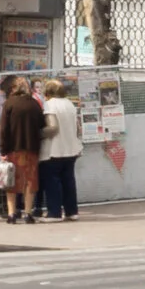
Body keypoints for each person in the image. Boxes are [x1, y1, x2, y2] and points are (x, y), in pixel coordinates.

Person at [0, 76, 46, 225]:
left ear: (13, 88)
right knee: (30, 181)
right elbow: (42, 124)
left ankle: (11, 214)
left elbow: (4, 130)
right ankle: (28, 213)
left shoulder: (9, 104)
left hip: (13, 149)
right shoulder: (34, 104)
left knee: (11, 181)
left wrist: (2, 151)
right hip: (32, 148)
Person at [39, 79, 84, 222]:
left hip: (54, 149)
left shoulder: (49, 105)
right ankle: (72, 212)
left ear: (48, 91)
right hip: (71, 148)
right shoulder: (70, 104)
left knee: (53, 182)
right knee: (68, 181)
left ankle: (54, 213)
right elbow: (77, 127)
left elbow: (52, 128)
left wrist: (38, 133)